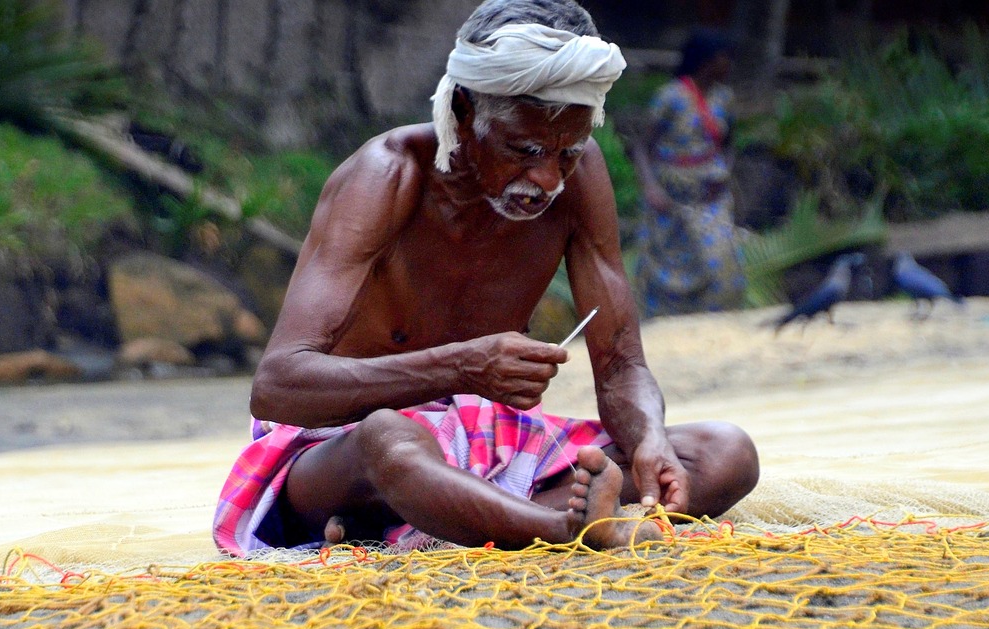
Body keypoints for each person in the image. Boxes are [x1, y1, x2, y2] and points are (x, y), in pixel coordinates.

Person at [213, 0, 759, 557]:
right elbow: (277, 388)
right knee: (390, 439)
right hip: (344, 452)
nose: (546, 179)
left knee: (723, 451)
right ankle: (561, 530)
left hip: (490, 450)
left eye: (565, 154)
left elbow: (621, 363)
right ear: (464, 109)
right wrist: (462, 366)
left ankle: (480, 522)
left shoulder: (581, 179)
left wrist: (649, 441)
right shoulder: (385, 176)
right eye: (524, 150)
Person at [629, 29, 747, 319]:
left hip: (710, 195)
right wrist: (651, 188)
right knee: (663, 265)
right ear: (706, 61)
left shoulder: (724, 99)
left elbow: (728, 144)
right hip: (670, 195)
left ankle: (715, 321)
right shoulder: (670, 98)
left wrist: (724, 173)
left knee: (721, 259)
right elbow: (643, 146)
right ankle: (662, 325)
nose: (728, 65)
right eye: (723, 59)